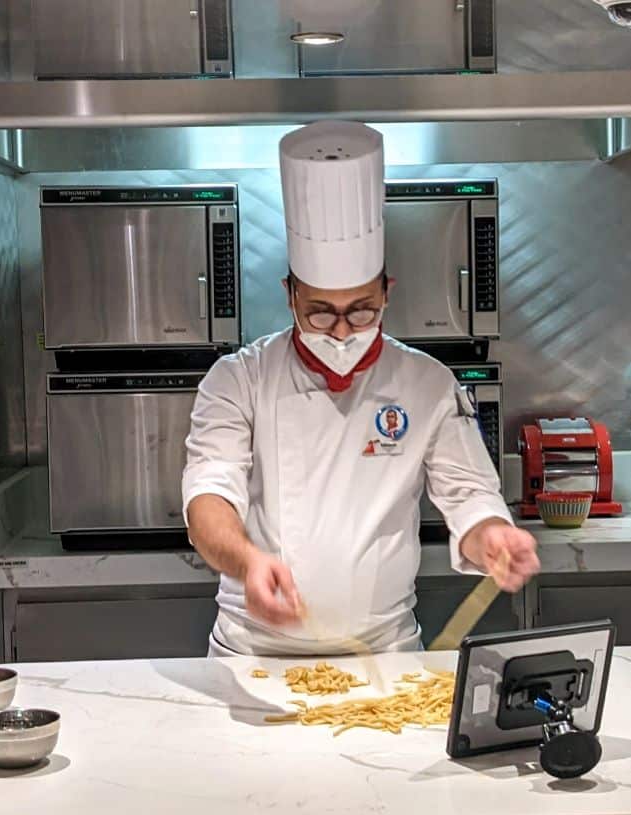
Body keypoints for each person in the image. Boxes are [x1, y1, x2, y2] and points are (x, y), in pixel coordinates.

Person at [182, 120, 539, 657]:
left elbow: (469, 495)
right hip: (253, 654)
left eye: (362, 310)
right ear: (289, 295)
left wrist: (492, 536)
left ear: (387, 293)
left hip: (384, 655)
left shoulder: (427, 383)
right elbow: (208, 496)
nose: (344, 331)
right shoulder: (239, 378)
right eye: (321, 314)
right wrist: (248, 562)